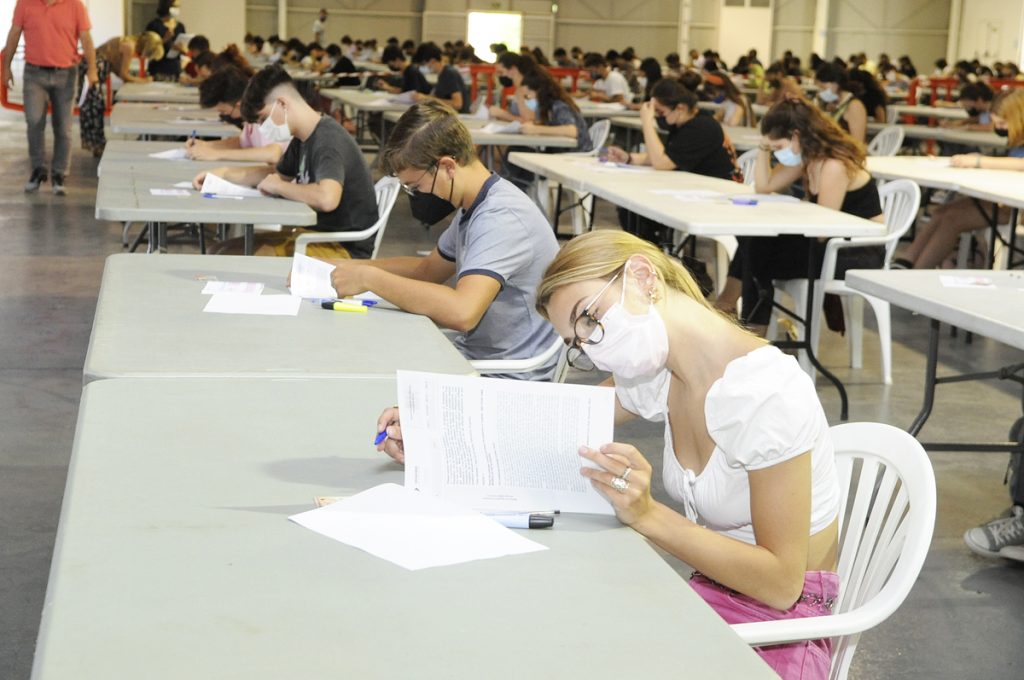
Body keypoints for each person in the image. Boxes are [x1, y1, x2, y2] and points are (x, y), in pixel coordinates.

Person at [375, 228, 841, 679]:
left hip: (785, 630)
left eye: (589, 318)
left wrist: (646, 513)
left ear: (642, 276)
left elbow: (782, 585)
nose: (595, 353)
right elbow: (551, 420)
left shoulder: (765, 394)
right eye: (579, 342)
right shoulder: (661, 369)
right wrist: (434, 428)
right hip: (711, 594)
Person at [326, 101, 560, 379]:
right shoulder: (475, 204)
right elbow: (426, 271)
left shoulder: (501, 217)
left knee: (363, 371)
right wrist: (350, 267)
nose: (419, 194)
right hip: (478, 355)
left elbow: (462, 312)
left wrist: (369, 278)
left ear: (447, 165)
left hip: (509, 375)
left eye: (416, 186)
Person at [715, 97, 885, 333]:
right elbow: (764, 187)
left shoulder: (834, 164)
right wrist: (763, 148)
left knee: (758, 248)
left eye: (778, 148)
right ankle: (738, 316)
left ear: (796, 136)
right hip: (829, 243)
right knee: (754, 241)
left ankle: (745, 323)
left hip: (855, 253)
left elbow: (823, 230)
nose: (777, 154)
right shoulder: (807, 157)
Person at [191, 66, 378, 258]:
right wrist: (222, 174)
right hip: (314, 236)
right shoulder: (302, 137)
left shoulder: (328, 140)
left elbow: (327, 198)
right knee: (217, 250)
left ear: (282, 103)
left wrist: (279, 187)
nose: (263, 128)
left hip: (343, 248)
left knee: (229, 256)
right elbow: (274, 174)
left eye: (263, 118)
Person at [603, 79, 741, 250]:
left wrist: (646, 121)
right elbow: (667, 156)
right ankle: (653, 252)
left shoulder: (701, 127)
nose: (659, 118)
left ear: (680, 107)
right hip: (697, 189)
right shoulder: (687, 122)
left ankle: (654, 255)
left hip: (721, 196)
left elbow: (662, 162)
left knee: (639, 212)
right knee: (632, 208)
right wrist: (629, 158)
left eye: (661, 112)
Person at [893, 89, 1024, 270]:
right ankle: (906, 261)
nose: (1000, 128)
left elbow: (1020, 164)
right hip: (1006, 202)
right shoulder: (1018, 140)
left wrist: (980, 161)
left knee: (952, 220)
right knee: (943, 212)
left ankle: (916, 270)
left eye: (1002, 123)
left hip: (1016, 209)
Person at [4, 0, 98, 195]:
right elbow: (14, 34)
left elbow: (86, 38)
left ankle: (59, 173)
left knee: (63, 127)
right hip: (34, 74)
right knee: (34, 122)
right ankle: (38, 169)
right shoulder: (25, 3)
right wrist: (5, 68)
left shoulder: (75, 6)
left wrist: (92, 69)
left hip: (66, 74)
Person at [80, 31, 164, 157]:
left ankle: (95, 144)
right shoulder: (129, 47)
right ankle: (97, 144)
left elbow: (118, 71)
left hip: (90, 68)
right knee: (94, 107)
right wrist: (143, 81)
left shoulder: (126, 41)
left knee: (94, 107)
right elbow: (124, 75)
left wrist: (138, 80)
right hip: (92, 72)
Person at [184, 66, 290, 164]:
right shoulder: (250, 115)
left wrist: (216, 154)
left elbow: (273, 153)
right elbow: (242, 142)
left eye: (224, 111)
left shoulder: (264, 112)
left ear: (238, 105)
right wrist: (206, 145)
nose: (223, 115)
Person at [519, 69, 593, 151]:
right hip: (561, 150)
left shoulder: (559, 106)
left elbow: (572, 131)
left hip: (576, 153)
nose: (527, 99)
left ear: (539, 91)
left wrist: (536, 129)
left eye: (527, 96)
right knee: (517, 149)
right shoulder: (545, 107)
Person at [814, 63, 868, 142]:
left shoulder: (855, 106)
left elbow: (858, 144)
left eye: (823, 88)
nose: (820, 93)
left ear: (836, 84)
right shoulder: (829, 104)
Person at [413, 41, 469, 113]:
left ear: (432, 61)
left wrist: (428, 99)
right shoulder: (442, 74)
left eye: (424, 64)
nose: (424, 67)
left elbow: (457, 104)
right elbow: (435, 96)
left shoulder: (449, 73)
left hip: (458, 117)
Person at [145, 0, 185, 81]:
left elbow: (184, 48)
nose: (177, 9)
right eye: (175, 6)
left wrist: (182, 49)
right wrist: (164, 40)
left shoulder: (180, 26)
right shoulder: (154, 25)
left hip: (175, 68)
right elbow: (148, 49)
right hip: (158, 67)